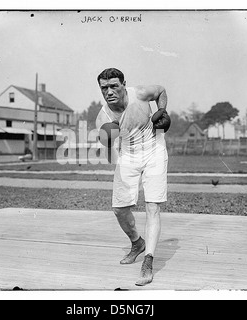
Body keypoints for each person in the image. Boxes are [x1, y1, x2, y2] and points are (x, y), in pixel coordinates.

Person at [95, 68, 170, 286]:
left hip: (154, 150)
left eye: (114, 86)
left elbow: (162, 90)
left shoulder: (140, 93)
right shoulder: (103, 117)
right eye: (104, 88)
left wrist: (162, 111)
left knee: (152, 206)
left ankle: (148, 260)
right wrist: (108, 143)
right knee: (119, 208)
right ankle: (137, 243)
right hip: (128, 153)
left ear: (123, 84)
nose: (109, 92)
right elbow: (111, 158)